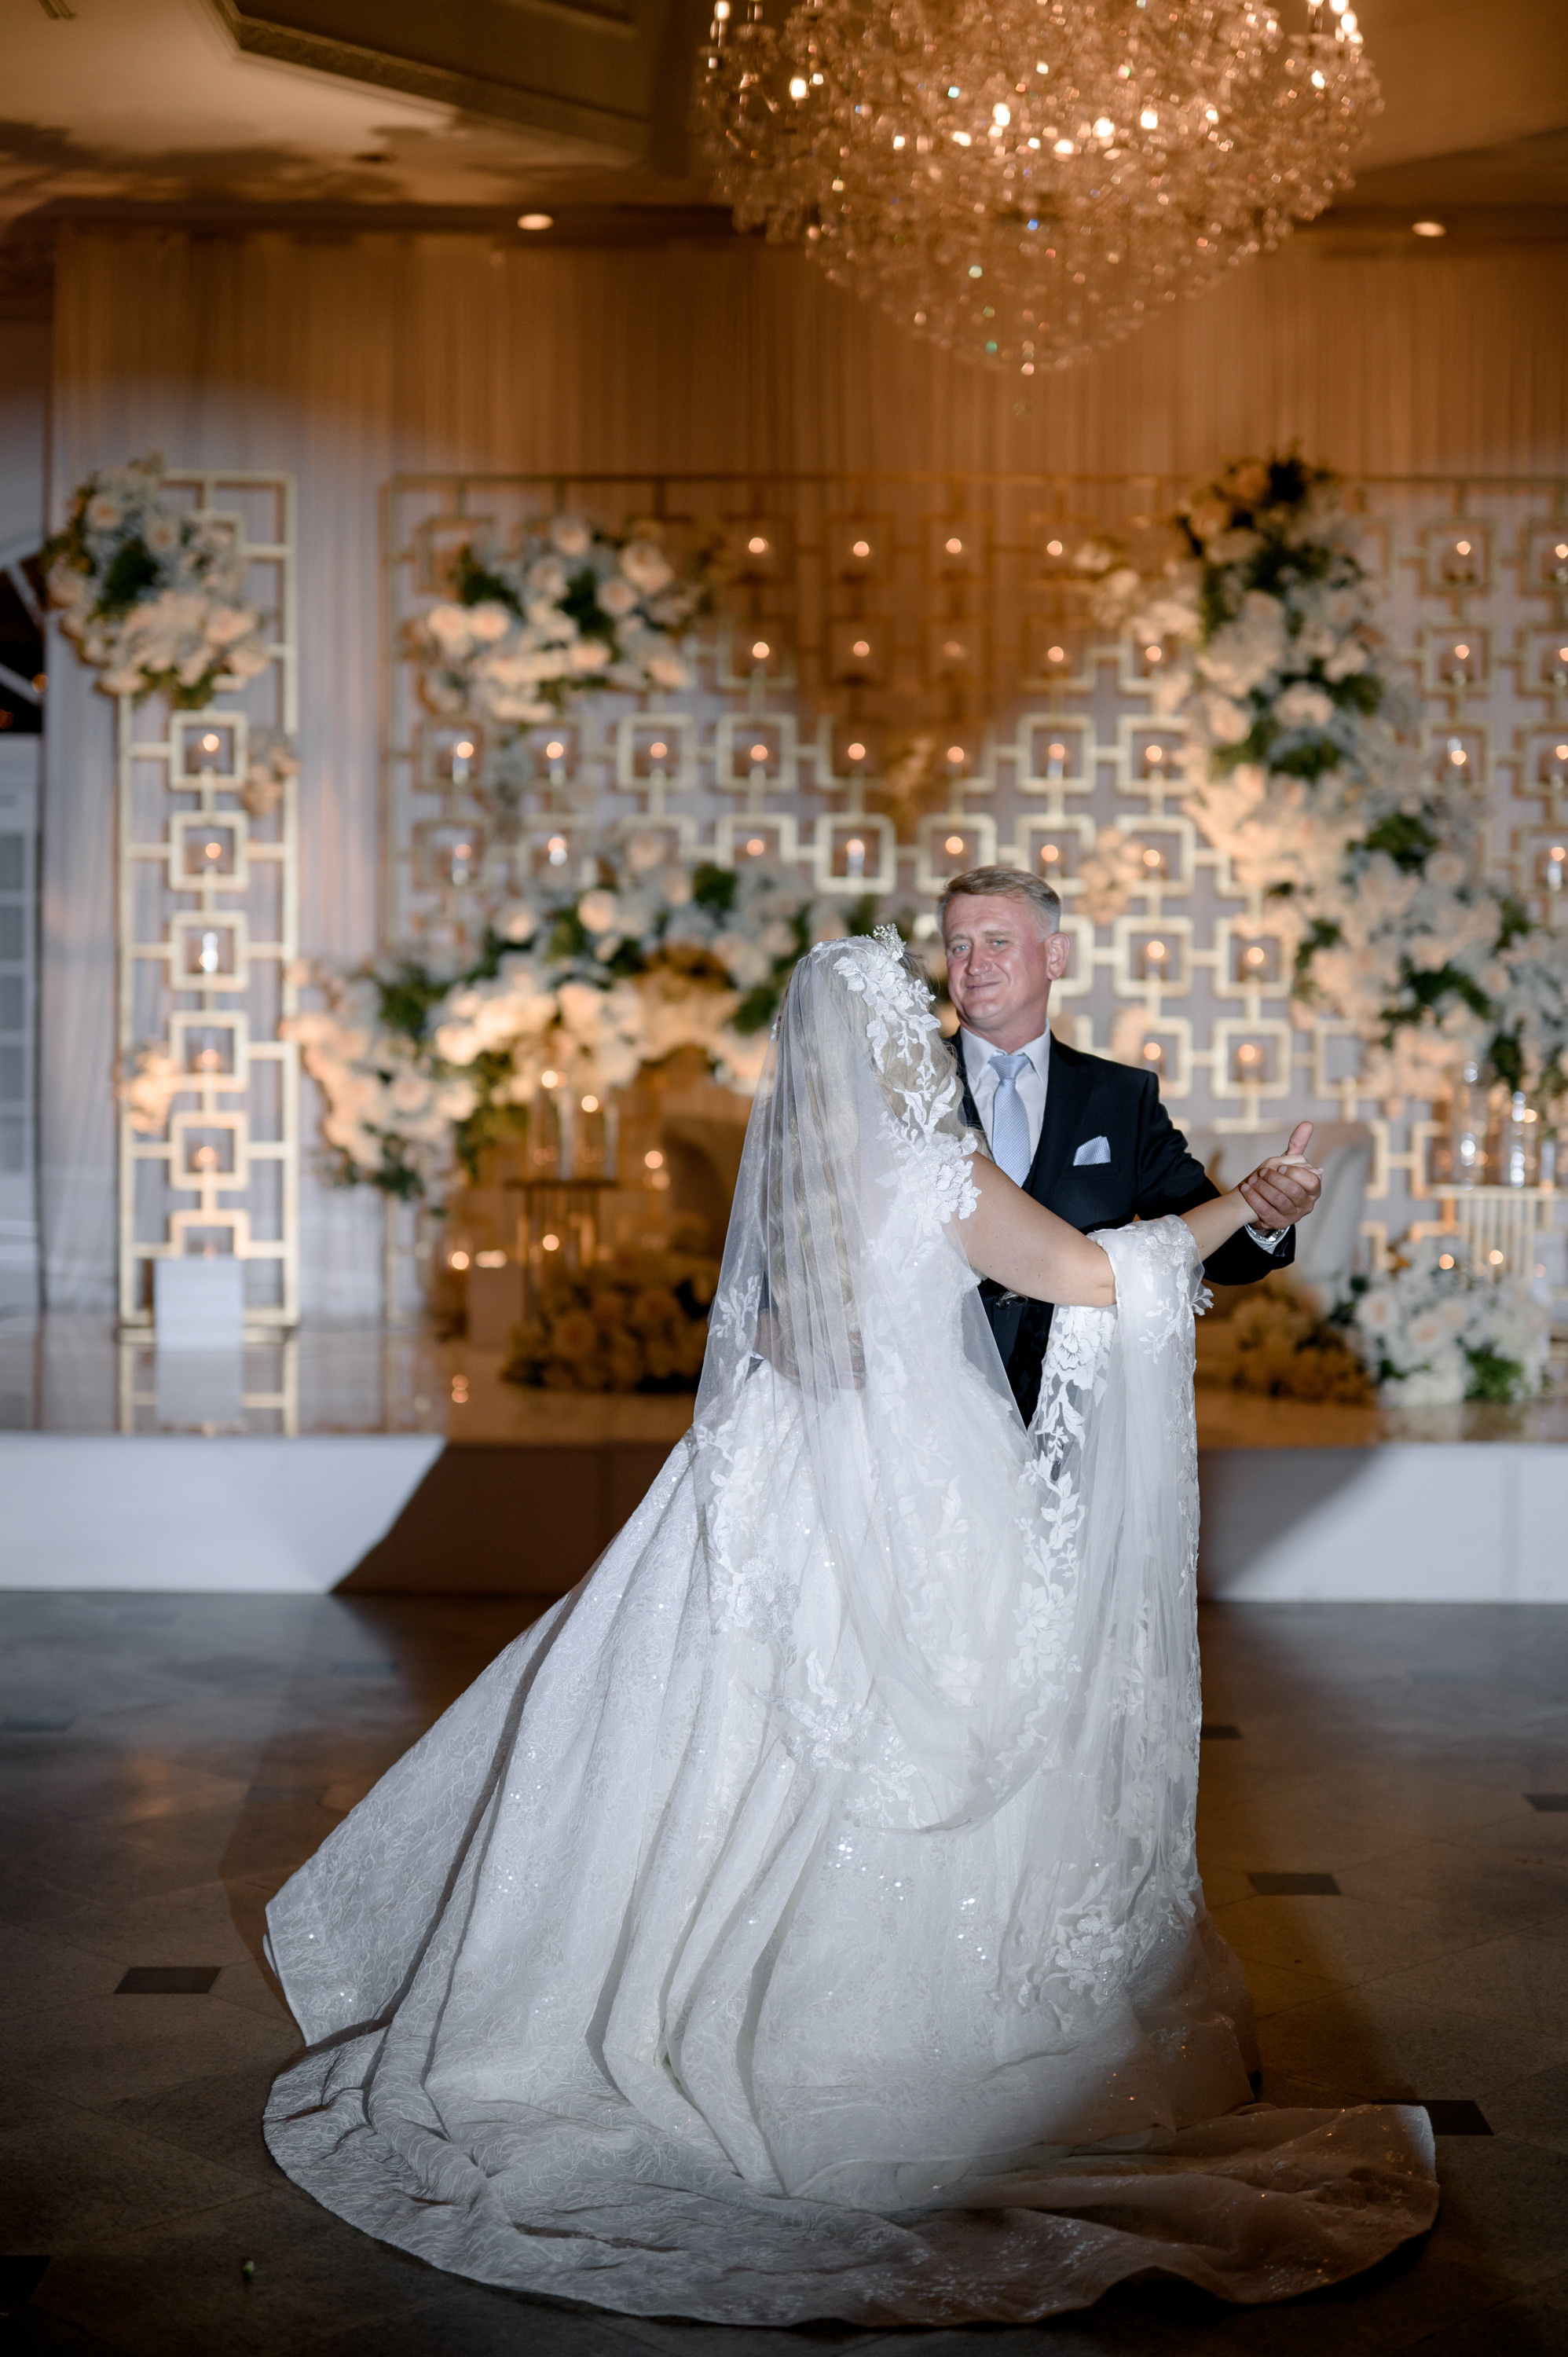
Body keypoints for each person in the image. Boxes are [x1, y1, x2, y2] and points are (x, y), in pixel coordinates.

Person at [263, 928, 1435, 2328]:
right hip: (918, 1487)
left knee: (706, 1737)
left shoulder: (805, 1175)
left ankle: (635, 2009)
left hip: (760, 1476)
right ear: (891, 1048)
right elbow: (1089, 1274)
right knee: (919, 1741)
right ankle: (874, 2056)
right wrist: (1239, 1200)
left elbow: (775, 1345)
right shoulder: (935, 1173)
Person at [940, 866, 1322, 1420]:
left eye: (997, 941)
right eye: (959, 946)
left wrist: (1264, 1213)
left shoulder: (1122, 1096)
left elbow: (1209, 1241)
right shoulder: (900, 1087)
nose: (975, 965)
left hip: (1076, 1422)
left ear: (1055, 956)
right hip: (936, 1413)